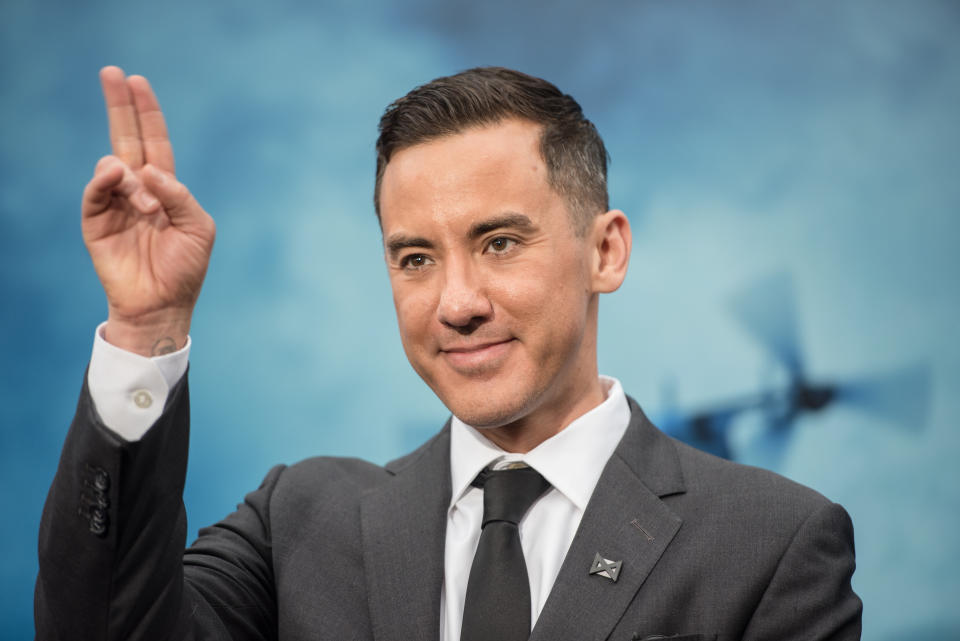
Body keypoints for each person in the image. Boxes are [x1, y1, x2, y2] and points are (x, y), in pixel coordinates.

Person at [36, 65, 862, 641]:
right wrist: (145, 329)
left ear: (605, 251)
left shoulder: (775, 541)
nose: (457, 303)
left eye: (500, 242)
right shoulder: (298, 523)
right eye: (416, 258)